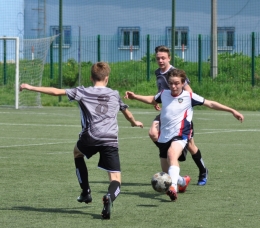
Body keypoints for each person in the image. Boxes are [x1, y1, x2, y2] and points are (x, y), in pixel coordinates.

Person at [20, 61, 144, 219]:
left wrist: (31, 87)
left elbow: (56, 92)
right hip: (110, 139)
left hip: (91, 136)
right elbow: (127, 112)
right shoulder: (114, 93)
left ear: (91, 78)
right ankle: (109, 197)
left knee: (77, 153)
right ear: (107, 78)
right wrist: (134, 122)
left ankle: (86, 192)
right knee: (116, 180)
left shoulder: (82, 91)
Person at [125, 69, 244, 202]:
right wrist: (135, 96)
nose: (173, 86)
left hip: (181, 134)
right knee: (167, 172)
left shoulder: (189, 96)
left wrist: (232, 110)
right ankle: (182, 181)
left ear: (183, 83)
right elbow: (153, 99)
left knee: (172, 155)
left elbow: (210, 103)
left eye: (176, 83)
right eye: (171, 83)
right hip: (164, 136)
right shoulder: (164, 93)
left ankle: (173, 188)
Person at [150, 45, 208, 186]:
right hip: (167, 112)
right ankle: (173, 162)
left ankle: (202, 170)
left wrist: (183, 111)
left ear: (169, 58)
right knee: (152, 133)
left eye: (163, 58)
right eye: (158, 58)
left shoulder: (174, 73)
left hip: (181, 116)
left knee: (191, 146)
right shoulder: (158, 72)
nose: (160, 61)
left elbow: (188, 92)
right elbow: (162, 92)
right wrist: (157, 103)